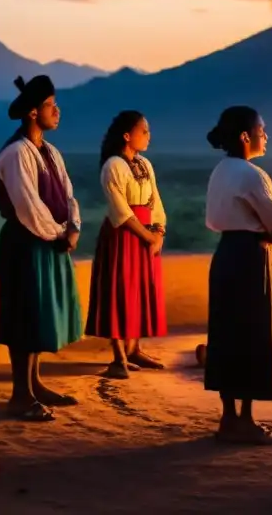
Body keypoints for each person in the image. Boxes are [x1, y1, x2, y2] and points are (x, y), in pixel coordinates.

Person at [0, 75, 83, 422]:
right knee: (25, 314)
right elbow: (28, 206)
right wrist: (59, 234)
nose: (57, 110)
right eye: (50, 105)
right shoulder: (16, 153)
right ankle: (20, 395)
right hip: (26, 242)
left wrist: (72, 227)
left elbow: (68, 194)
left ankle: (35, 384)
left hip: (50, 240)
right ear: (32, 112)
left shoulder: (50, 152)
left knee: (40, 313)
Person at [204, 106, 272, 445]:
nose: (265, 136)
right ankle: (246, 420)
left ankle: (229, 417)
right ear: (245, 136)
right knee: (252, 334)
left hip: (226, 254)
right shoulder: (252, 174)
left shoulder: (220, 171)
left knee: (227, 335)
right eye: (261, 130)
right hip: (252, 257)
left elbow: (214, 218)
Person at [85, 111, 168, 379]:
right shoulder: (113, 166)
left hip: (146, 234)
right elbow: (120, 210)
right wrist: (147, 236)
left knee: (142, 290)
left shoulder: (145, 164)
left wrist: (159, 231)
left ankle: (135, 349)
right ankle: (118, 357)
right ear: (126, 135)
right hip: (124, 236)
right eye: (143, 131)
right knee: (120, 290)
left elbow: (155, 201)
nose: (148, 136)